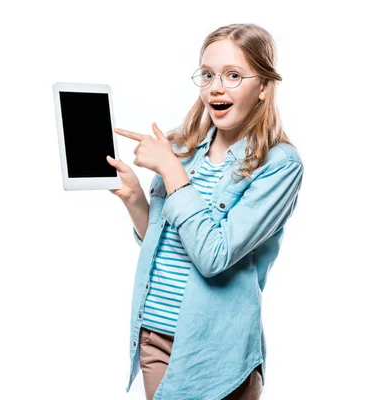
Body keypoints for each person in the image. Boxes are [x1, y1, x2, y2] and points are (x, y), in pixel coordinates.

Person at [106, 23, 304, 400]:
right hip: (155, 338)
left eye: (233, 75)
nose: (216, 87)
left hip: (215, 353)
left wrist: (172, 173)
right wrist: (135, 200)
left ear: (263, 86)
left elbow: (214, 256)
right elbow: (166, 243)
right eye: (208, 74)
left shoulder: (279, 165)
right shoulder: (184, 148)